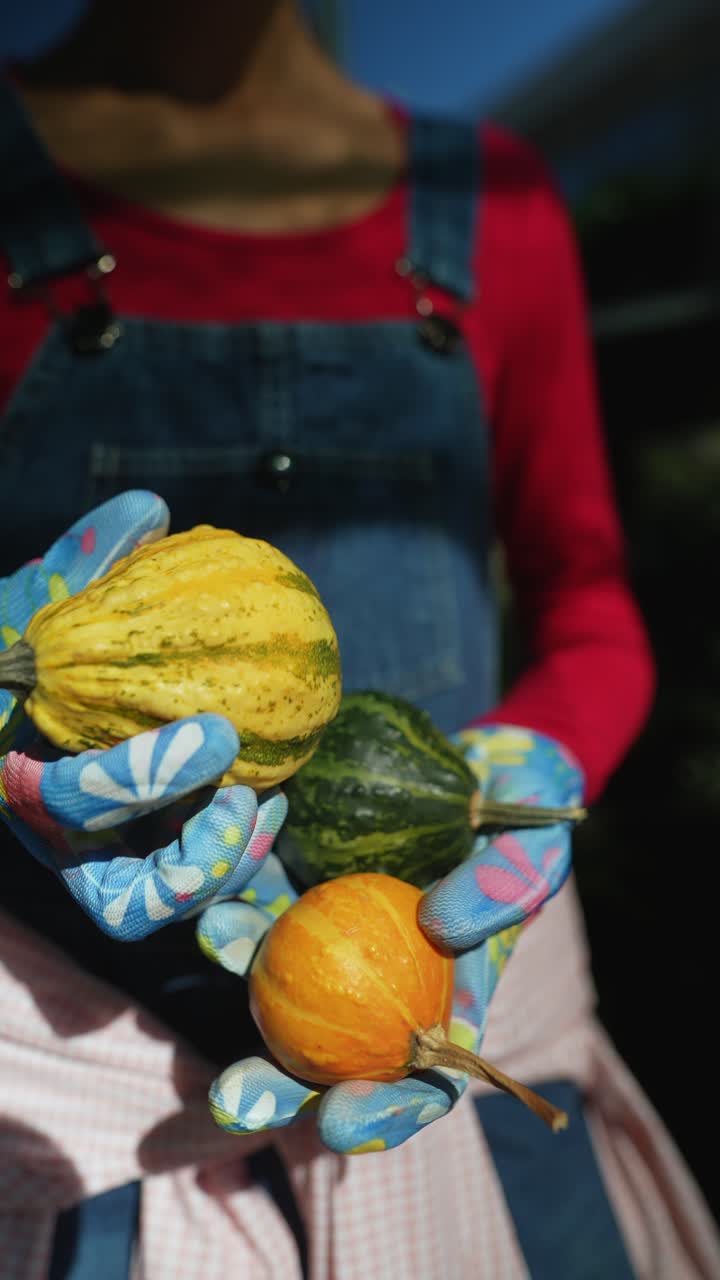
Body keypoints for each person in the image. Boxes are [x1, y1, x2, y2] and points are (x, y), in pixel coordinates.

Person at [0, 2, 717, 1277]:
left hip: (454, 1025)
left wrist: (530, 763)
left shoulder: (493, 203)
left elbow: (587, 599)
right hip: (82, 1116)